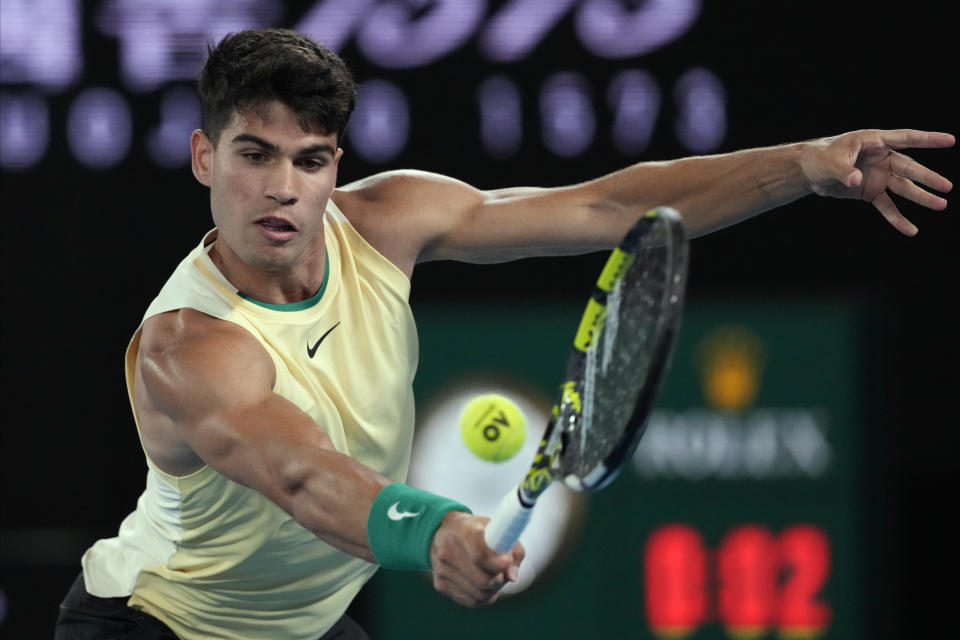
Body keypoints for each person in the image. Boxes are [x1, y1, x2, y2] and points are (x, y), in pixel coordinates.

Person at [55, 27, 953, 640]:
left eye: (311, 160)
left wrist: (800, 165)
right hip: (156, 623)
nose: (282, 187)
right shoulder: (189, 344)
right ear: (205, 157)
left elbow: (608, 204)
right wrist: (438, 532)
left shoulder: (387, 222)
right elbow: (300, 471)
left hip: (309, 624)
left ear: (336, 166)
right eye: (254, 155)